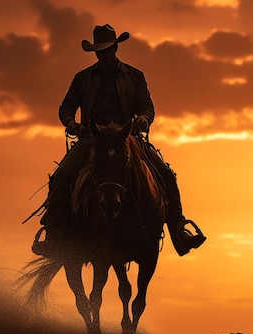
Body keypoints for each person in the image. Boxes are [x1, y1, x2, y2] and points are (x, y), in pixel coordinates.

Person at [32, 24, 206, 257]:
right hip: (92, 140)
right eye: (98, 51)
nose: (102, 55)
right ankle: (53, 235)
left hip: (127, 138)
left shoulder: (135, 76)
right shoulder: (82, 78)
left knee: (166, 175)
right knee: (61, 177)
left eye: (106, 50)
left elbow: (146, 106)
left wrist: (144, 118)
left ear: (115, 48)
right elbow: (66, 107)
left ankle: (178, 229)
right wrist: (72, 123)